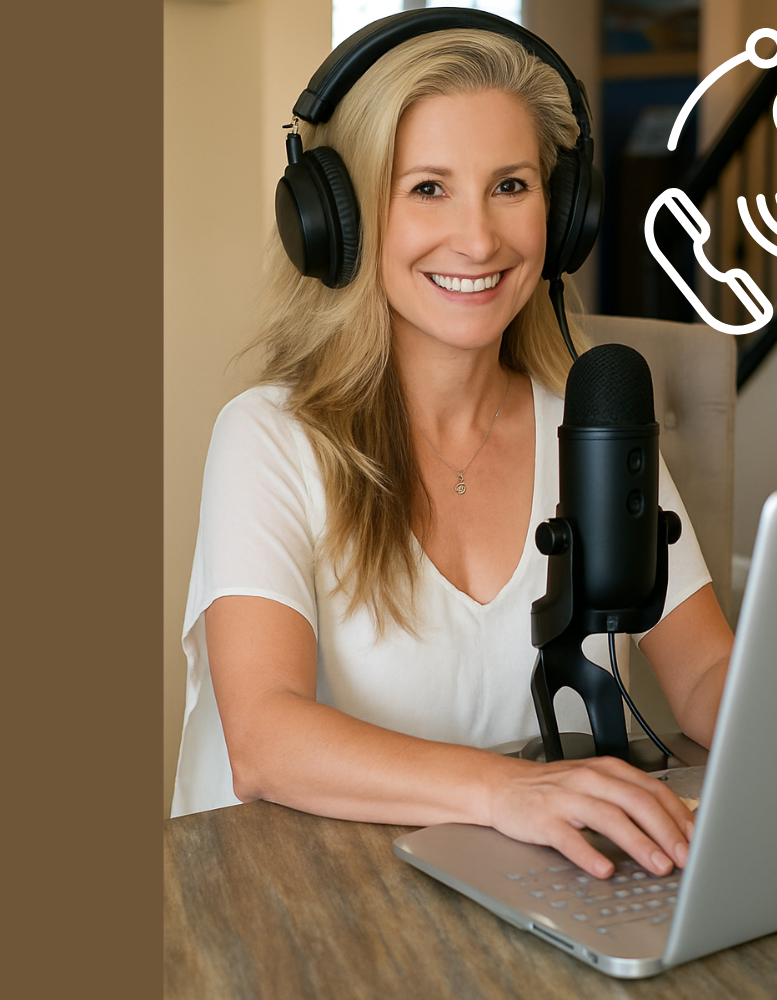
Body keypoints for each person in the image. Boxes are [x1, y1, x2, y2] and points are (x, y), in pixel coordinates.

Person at [171, 23, 734, 883]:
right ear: (342, 220)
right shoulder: (268, 437)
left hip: (502, 885)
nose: (478, 239)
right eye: (428, 188)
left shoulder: (590, 425)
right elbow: (266, 738)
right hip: (283, 898)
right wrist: (512, 792)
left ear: (564, 210)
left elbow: (706, 673)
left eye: (510, 185)